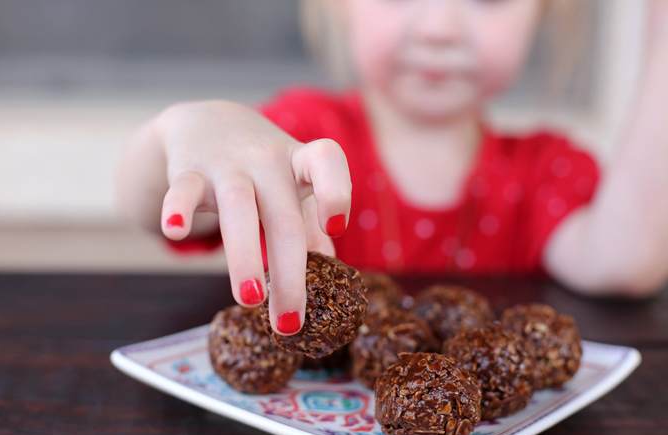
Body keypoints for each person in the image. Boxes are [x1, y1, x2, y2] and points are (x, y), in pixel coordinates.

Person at [116, 0, 668, 336]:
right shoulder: (300, 137)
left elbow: (625, 261)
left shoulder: (544, 171)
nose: (439, 28)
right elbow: (153, 207)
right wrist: (182, 129)